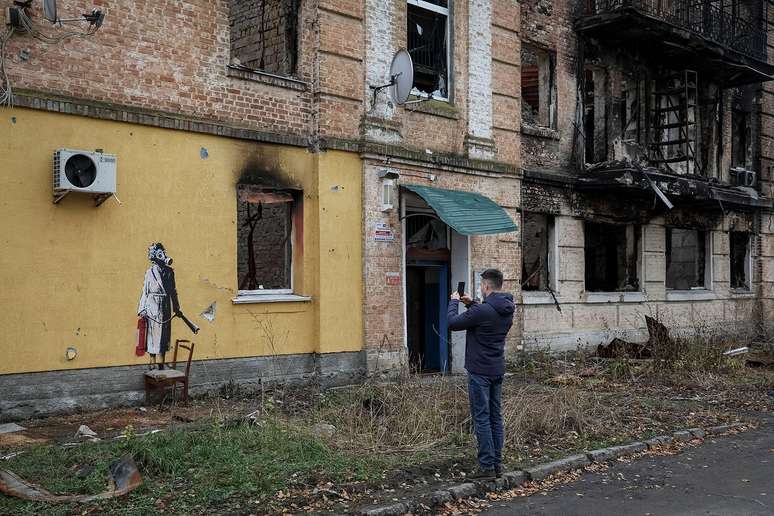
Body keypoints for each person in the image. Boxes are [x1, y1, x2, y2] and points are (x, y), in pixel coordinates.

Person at [448, 269, 515, 479]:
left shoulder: (483, 310)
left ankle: (486, 466)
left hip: (480, 371)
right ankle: (496, 464)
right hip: (496, 369)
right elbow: (485, 315)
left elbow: (452, 323)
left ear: (486, 286)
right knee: (496, 417)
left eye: (481, 286)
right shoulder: (507, 308)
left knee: (482, 418)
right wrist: (470, 304)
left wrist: (454, 301)